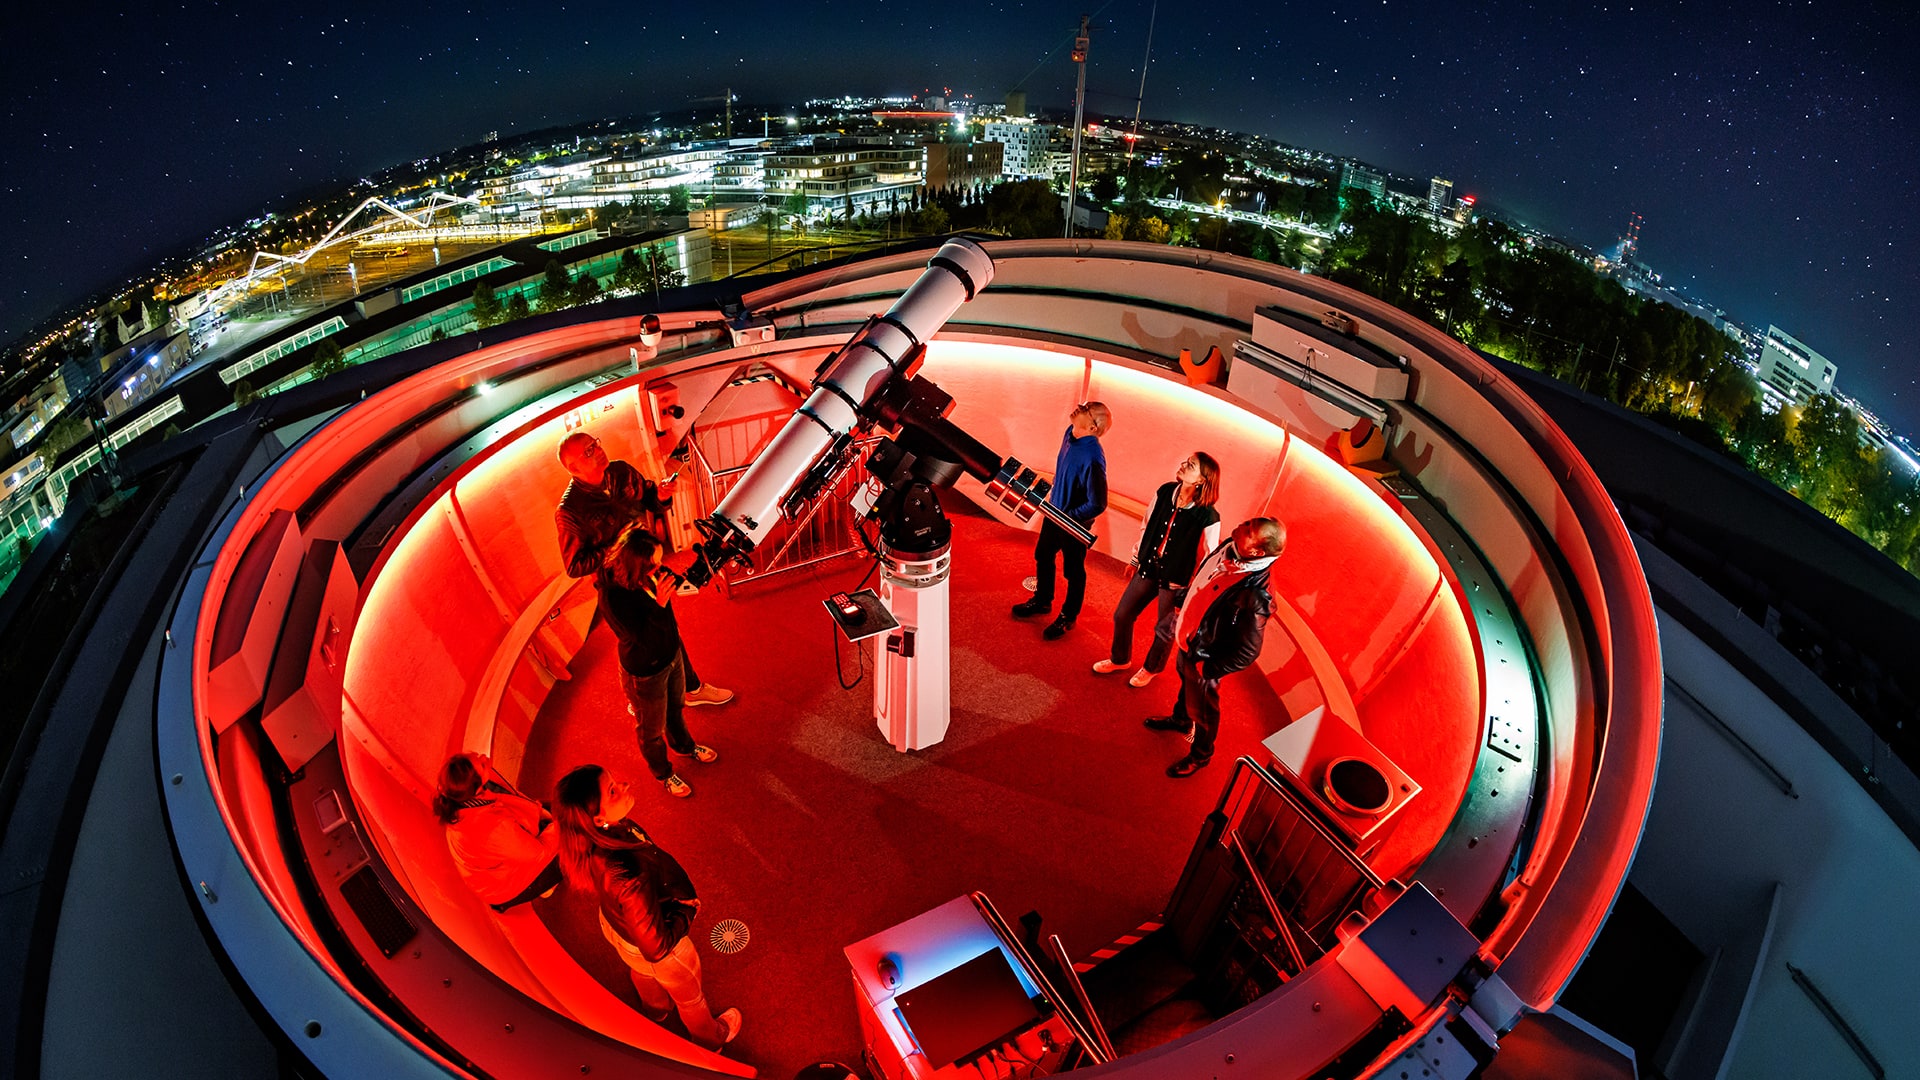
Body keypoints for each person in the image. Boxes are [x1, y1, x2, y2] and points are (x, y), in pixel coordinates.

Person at [554, 764, 743, 1050]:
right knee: (690, 998)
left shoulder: (596, 838)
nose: (626, 785)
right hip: (659, 944)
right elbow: (656, 947)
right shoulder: (627, 874)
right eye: (613, 790)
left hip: (618, 927)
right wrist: (686, 911)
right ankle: (710, 1038)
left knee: (640, 968)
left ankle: (655, 1008)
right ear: (598, 817)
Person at [555, 431, 733, 709]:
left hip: (650, 568)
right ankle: (638, 697)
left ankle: (691, 688)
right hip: (618, 588)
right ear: (573, 468)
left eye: (595, 444)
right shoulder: (569, 511)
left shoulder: (621, 471)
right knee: (637, 642)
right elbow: (575, 565)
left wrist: (662, 496)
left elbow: (650, 497)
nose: (597, 451)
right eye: (588, 452)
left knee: (667, 628)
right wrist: (618, 543)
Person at [1144, 517, 1286, 778]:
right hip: (1190, 638)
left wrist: (1209, 668)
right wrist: (1184, 603)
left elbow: (1247, 652)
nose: (1242, 525)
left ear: (1256, 552)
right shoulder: (1231, 546)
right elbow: (1206, 579)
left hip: (1205, 657)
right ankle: (1180, 719)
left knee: (1205, 709)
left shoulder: (1257, 595)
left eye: (1249, 530)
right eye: (1248, 522)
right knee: (1185, 683)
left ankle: (1200, 756)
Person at [597, 525, 719, 799]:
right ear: (636, 564)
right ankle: (663, 773)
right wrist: (659, 604)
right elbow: (638, 636)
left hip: (670, 655)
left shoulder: (649, 570)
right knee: (651, 729)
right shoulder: (612, 596)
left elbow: (672, 580)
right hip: (645, 671)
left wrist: (698, 574)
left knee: (676, 708)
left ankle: (685, 747)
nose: (661, 567)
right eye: (654, 563)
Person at [1094, 452, 1222, 688]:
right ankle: (1120, 659)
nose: (1183, 466)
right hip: (1149, 567)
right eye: (1186, 462)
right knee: (1122, 614)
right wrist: (1135, 559)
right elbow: (1147, 524)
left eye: (1191, 465)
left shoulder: (1209, 516)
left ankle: (1151, 668)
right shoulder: (1165, 492)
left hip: (1176, 580)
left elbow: (1209, 557)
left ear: (1202, 480)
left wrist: (1192, 592)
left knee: (1164, 630)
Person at [1011, 401, 1111, 640]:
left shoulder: (1093, 458)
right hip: (1055, 513)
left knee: (1073, 571)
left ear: (1094, 427)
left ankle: (1069, 616)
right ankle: (1043, 601)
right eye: (1084, 406)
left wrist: (1070, 517)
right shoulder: (1070, 433)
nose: (1080, 408)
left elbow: (1098, 503)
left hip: (1073, 524)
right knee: (1043, 555)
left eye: (1087, 411)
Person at [435, 753, 563, 912]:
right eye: (481, 764)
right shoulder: (487, 828)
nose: (483, 757)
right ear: (476, 788)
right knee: (575, 836)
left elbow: (515, 801)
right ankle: (539, 884)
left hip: (505, 859)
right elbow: (538, 852)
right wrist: (560, 824)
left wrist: (545, 814)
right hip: (504, 888)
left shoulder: (468, 798)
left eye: (474, 755)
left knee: (562, 808)